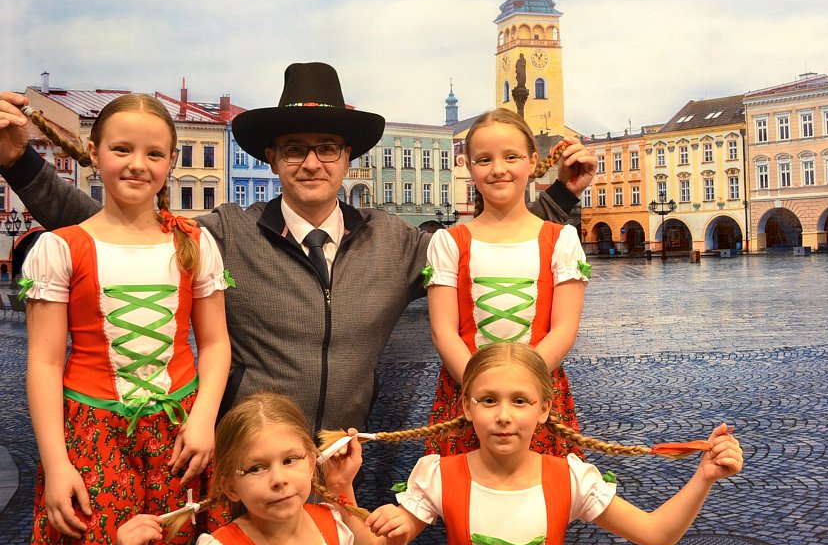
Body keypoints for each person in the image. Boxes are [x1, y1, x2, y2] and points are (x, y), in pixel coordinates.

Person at [0, 62, 596, 437]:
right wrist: (19, 163)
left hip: (345, 451)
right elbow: (112, 226)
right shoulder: (225, 234)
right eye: (294, 149)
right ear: (272, 159)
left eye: (327, 147)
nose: (312, 162)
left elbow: (493, 241)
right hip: (250, 453)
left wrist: (563, 196)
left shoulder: (396, 242)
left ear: (347, 157)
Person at [21, 94, 231, 545]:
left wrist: (203, 419)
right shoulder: (61, 248)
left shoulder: (194, 242)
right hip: (91, 433)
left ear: (171, 162)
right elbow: (44, 362)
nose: (138, 164)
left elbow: (216, 343)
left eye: (154, 153)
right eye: (122, 149)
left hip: (181, 433)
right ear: (93, 153)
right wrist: (56, 464)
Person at [328, 343, 743, 545]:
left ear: (544, 409)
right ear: (467, 407)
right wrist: (342, 488)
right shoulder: (438, 475)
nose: (503, 416)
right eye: (488, 400)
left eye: (520, 401)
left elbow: (657, 535)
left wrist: (704, 477)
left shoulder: (570, 478)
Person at [421, 109, 588, 457]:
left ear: (532, 161)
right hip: (467, 391)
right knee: (462, 485)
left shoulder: (561, 240)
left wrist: (523, 387)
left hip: (537, 390)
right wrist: (481, 390)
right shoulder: (449, 242)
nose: (498, 168)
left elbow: (564, 330)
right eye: (485, 159)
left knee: (544, 485)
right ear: (469, 166)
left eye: (511, 157)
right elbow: (444, 332)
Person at [116, 392, 408, 545]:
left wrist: (394, 544)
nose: (278, 478)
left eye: (290, 460)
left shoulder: (334, 524)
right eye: (256, 468)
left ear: (311, 463)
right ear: (230, 486)